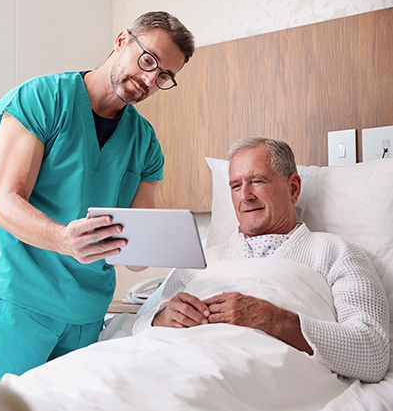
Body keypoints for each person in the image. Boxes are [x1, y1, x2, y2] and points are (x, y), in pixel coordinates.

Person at [0, 11, 195, 378]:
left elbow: (136, 254)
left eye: (164, 76)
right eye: (148, 60)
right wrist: (62, 239)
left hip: (85, 314)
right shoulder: (42, 99)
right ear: (121, 40)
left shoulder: (145, 143)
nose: (150, 79)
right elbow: (5, 202)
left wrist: (166, 246)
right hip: (15, 299)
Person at [133, 137, 390, 383]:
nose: (245, 195)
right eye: (235, 186)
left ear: (293, 188)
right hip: (172, 364)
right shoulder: (199, 261)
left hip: (254, 376)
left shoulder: (335, 252)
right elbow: (139, 327)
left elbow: (372, 351)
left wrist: (276, 321)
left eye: (256, 181)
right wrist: (162, 319)